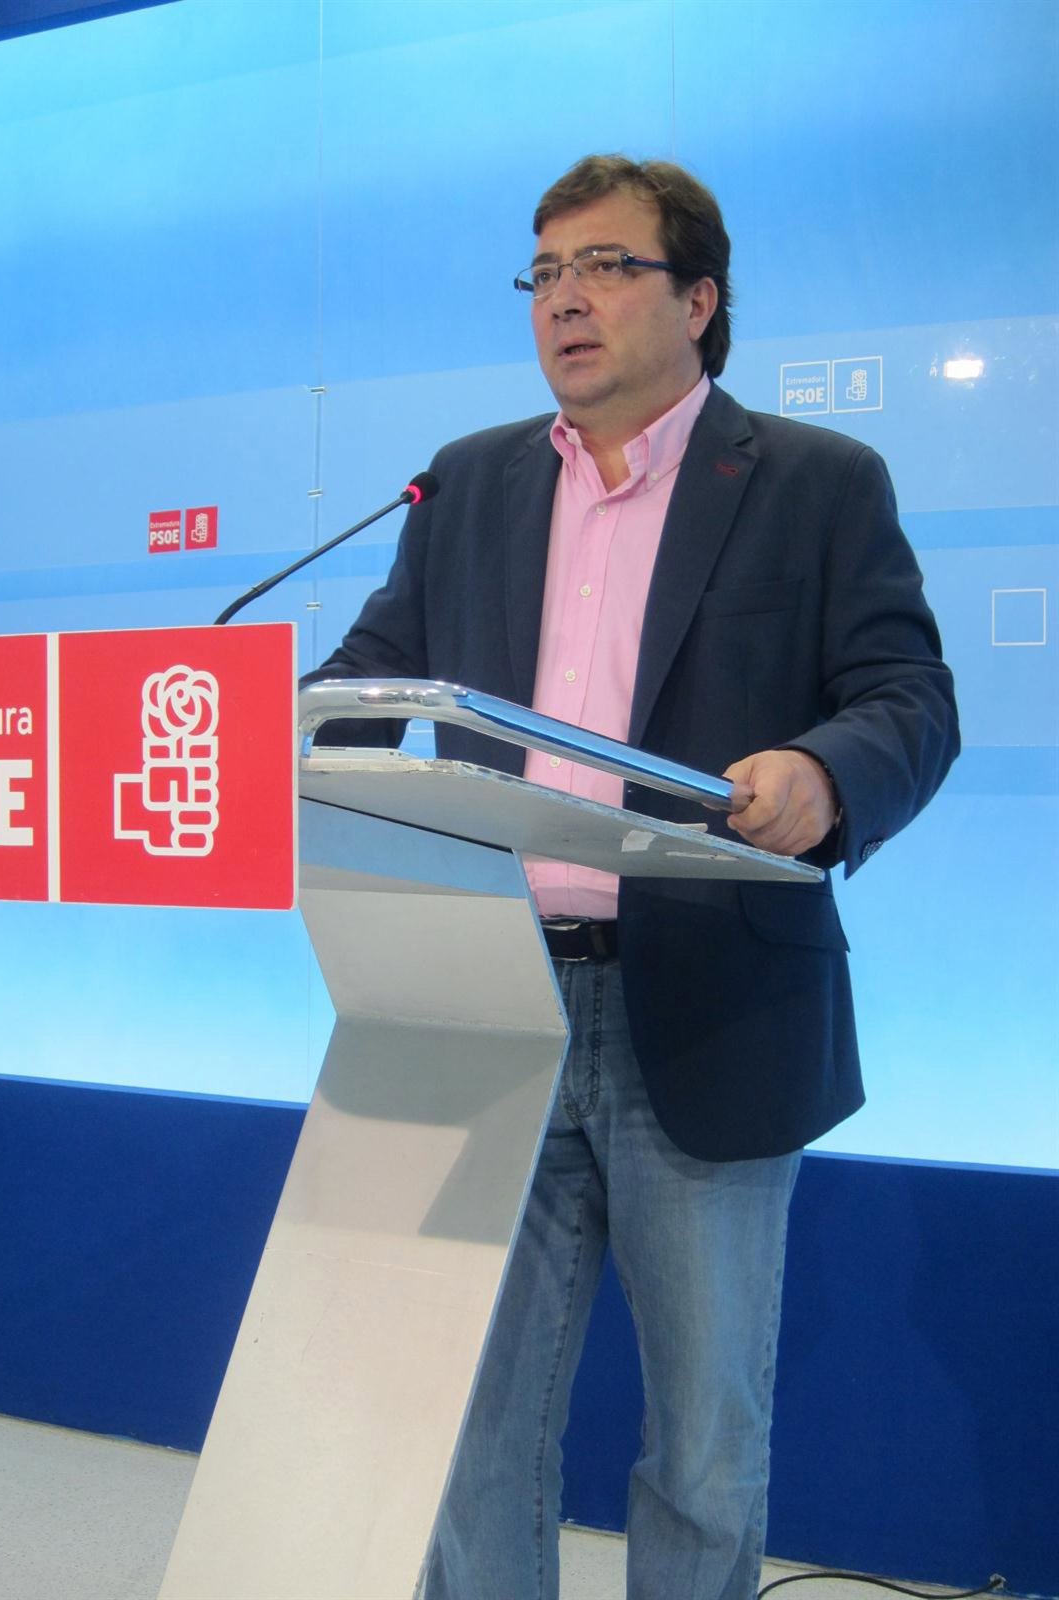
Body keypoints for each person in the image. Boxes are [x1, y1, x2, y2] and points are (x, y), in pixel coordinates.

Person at [305, 155, 959, 1600]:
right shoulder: (466, 482)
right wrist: (266, 734)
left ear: (701, 299)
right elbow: (364, 684)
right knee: (476, 1428)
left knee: (705, 1448)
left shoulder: (814, 481)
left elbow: (909, 698)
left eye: (606, 266)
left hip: (713, 998)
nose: (566, 299)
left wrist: (825, 772)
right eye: (544, 273)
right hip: (484, 1001)